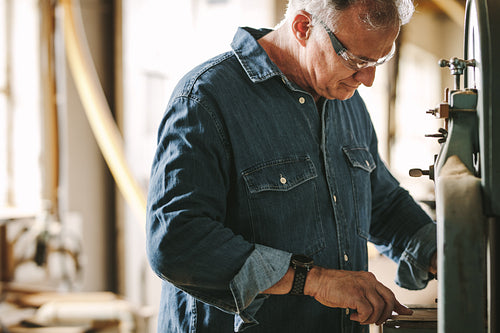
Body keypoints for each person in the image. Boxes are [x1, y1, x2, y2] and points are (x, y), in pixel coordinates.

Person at [146, 0, 437, 332]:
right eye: (356, 59)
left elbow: (381, 203)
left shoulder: (347, 101)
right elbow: (177, 242)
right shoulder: (205, 99)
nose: (368, 79)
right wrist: (313, 280)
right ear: (303, 27)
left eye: (379, 60)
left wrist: (444, 252)